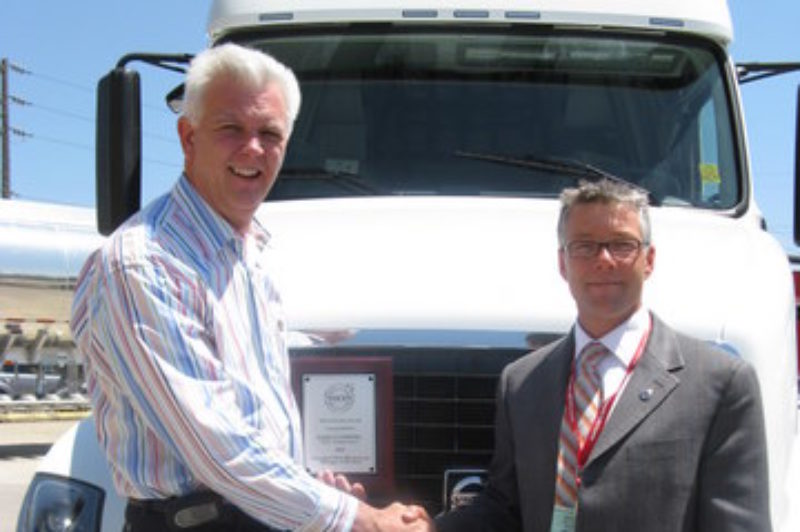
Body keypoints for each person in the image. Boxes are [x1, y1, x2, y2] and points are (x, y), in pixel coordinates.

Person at [71, 43, 429, 531]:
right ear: (187, 136)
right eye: (231, 129)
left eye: (270, 133)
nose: (253, 149)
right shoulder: (143, 265)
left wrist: (307, 484)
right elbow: (215, 448)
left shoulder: (248, 256)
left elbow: (252, 415)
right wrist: (357, 518)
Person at [435, 179, 771, 531]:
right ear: (563, 264)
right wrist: (428, 527)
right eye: (584, 247)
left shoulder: (720, 384)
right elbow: (504, 510)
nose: (604, 260)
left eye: (622, 245)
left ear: (649, 260)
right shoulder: (520, 384)